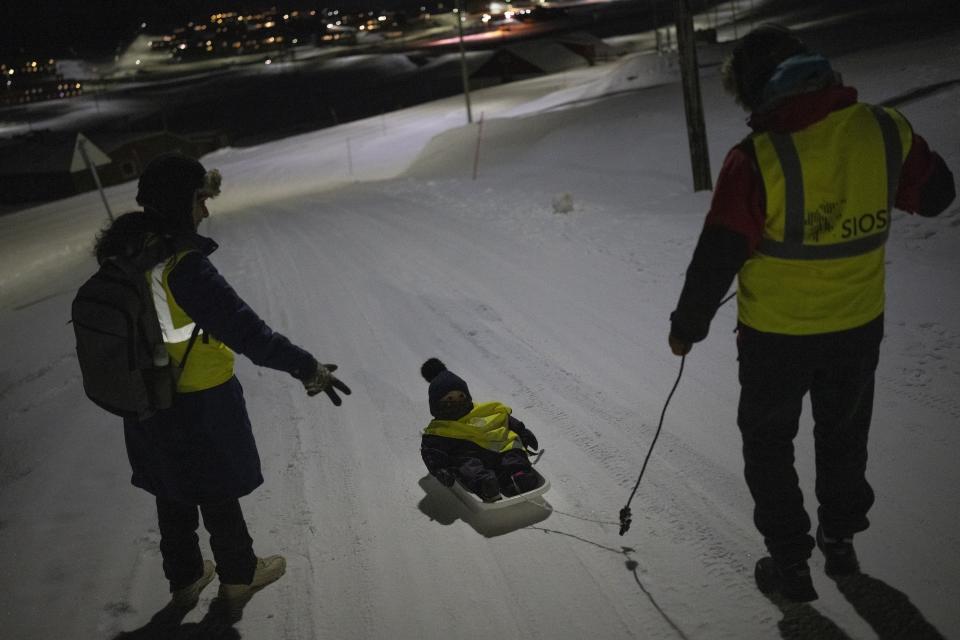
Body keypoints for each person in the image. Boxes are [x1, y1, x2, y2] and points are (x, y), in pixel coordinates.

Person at [668, 25, 955, 602]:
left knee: (769, 444)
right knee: (844, 435)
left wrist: (687, 327)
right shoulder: (883, 129)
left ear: (758, 89)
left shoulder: (756, 157)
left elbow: (720, 251)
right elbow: (937, 196)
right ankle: (841, 540)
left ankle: (791, 564)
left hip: (776, 337)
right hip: (857, 327)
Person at [94, 152, 352, 612]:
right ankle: (238, 576)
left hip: (145, 398)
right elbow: (248, 332)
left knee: (170, 490)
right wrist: (307, 367)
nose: (205, 211)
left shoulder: (125, 253)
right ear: (180, 202)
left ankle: (186, 578)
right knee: (215, 489)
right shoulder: (183, 265)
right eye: (199, 199)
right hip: (200, 400)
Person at [419, 358, 540, 502]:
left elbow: (503, 419)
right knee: (468, 466)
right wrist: (440, 469)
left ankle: (518, 477)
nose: (456, 402)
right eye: (449, 399)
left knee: (512, 452)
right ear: (436, 404)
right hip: (469, 455)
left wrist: (522, 431)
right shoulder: (439, 428)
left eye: (461, 396)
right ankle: (486, 485)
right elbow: (431, 452)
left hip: (499, 449)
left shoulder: (483, 410)